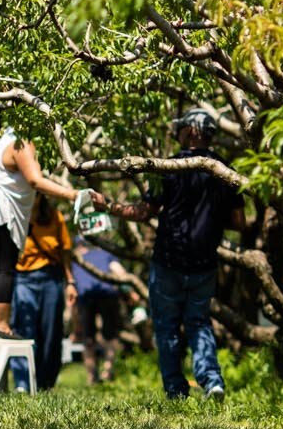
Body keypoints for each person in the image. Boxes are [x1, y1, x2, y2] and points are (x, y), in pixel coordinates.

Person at [85, 108, 242, 401]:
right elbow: (239, 222)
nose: (178, 133)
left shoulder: (169, 168)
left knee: (167, 327)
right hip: (205, 262)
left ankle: (175, 390)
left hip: (168, 261)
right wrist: (208, 212)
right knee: (199, 323)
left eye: (181, 128)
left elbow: (144, 212)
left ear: (191, 131)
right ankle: (212, 381)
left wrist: (109, 206)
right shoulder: (226, 171)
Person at [0, 125, 79, 344]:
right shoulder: (22, 141)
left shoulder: (3, 140)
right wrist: (72, 194)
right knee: (4, 267)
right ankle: (2, 327)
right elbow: (35, 180)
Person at [11, 195, 75, 392]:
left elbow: (65, 252)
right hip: (22, 277)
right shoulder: (15, 215)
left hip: (51, 277)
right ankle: (23, 383)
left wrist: (70, 282)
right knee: (24, 328)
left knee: (51, 331)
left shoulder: (55, 217)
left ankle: (46, 383)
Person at [69, 237, 132, 386]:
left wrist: (74, 326)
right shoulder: (105, 254)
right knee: (110, 335)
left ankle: (92, 377)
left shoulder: (76, 260)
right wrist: (129, 292)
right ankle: (107, 371)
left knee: (88, 339)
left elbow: (70, 296)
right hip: (107, 294)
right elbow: (121, 272)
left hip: (86, 297)